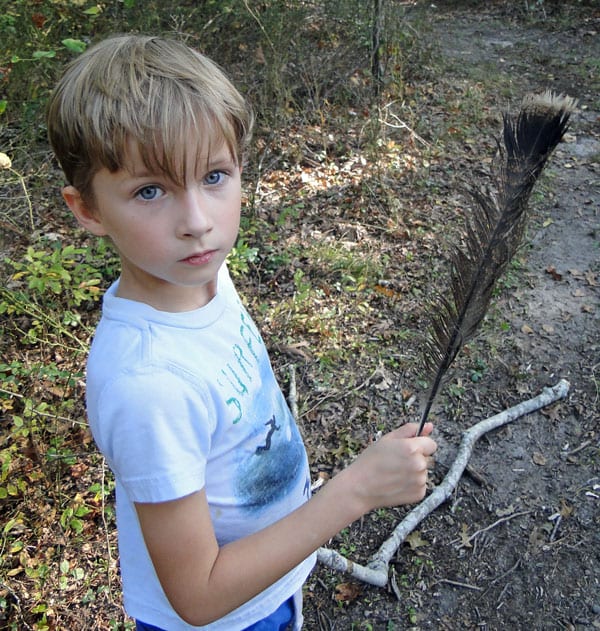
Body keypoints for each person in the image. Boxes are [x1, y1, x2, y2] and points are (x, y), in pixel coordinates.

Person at [46, 35, 437, 631]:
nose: (198, 223)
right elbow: (198, 597)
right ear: (88, 210)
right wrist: (353, 492)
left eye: (214, 175)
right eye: (150, 191)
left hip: (270, 579)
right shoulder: (146, 383)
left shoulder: (203, 278)